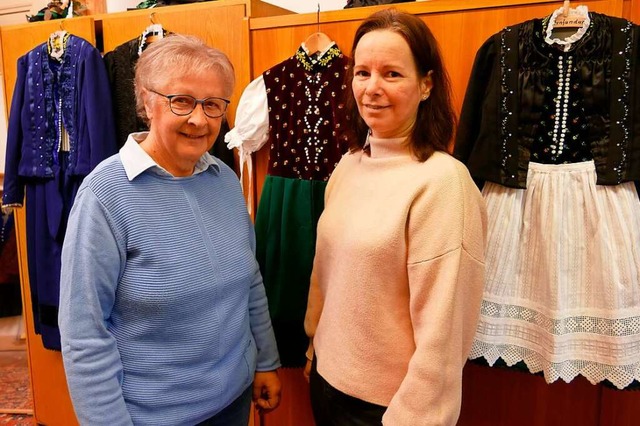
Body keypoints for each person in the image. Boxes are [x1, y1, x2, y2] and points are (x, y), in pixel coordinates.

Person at [58, 34, 281, 425]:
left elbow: (250, 283)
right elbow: (84, 334)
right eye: (181, 101)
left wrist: (265, 360)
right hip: (155, 416)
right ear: (147, 101)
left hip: (234, 398)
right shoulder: (105, 195)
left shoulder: (225, 180)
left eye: (213, 105)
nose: (199, 119)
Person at [303, 9, 487, 426]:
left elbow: (444, 331)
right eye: (362, 72)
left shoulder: (443, 183)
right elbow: (326, 274)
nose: (371, 89)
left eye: (391, 74)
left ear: (426, 84)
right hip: (327, 382)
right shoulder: (349, 166)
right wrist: (315, 347)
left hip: (386, 408)